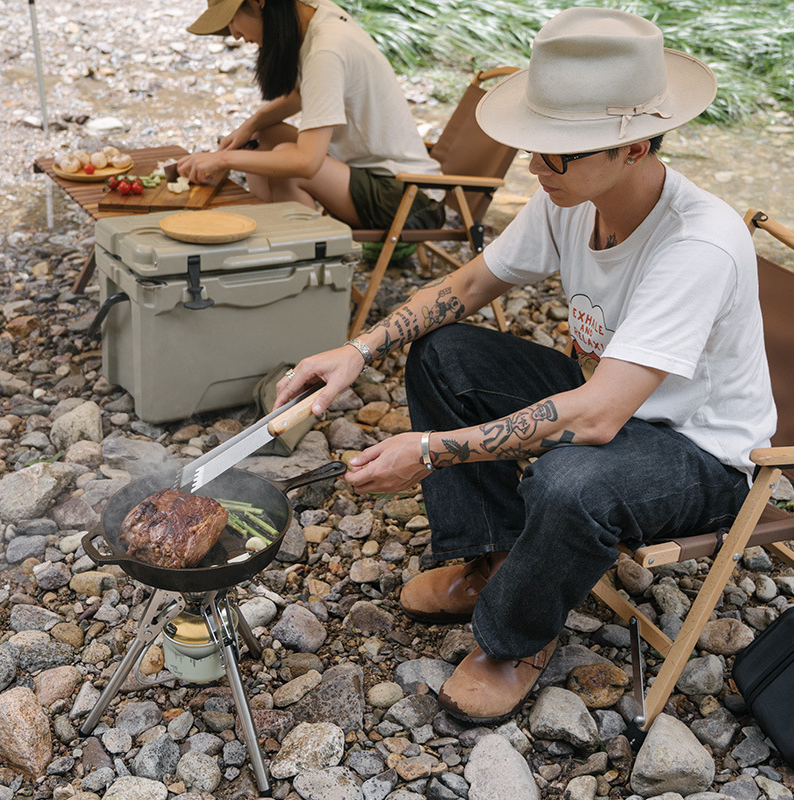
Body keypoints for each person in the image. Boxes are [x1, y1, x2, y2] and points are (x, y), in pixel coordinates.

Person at [275, 6, 776, 724]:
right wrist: (355, 350)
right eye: (534, 149)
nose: (534, 170)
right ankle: (492, 555)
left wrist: (429, 451)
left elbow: (600, 416)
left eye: (555, 155)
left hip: (700, 450)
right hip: (612, 400)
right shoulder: (570, 197)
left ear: (633, 146)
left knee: (568, 480)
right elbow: (469, 286)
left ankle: (514, 638)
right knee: (444, 354)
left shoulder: (697, 244)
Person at [179, 0, 444, 231]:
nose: (234, 35)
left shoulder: (325, 49)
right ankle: (274, 234)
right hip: (369, 173)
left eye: (231, 20)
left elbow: (306, 163)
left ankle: (308, 260)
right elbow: (301, 93)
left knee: (288, 166)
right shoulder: (314, 14)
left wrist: (223, 159)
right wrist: (250, 126)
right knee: (262, 138)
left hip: (407, 197)